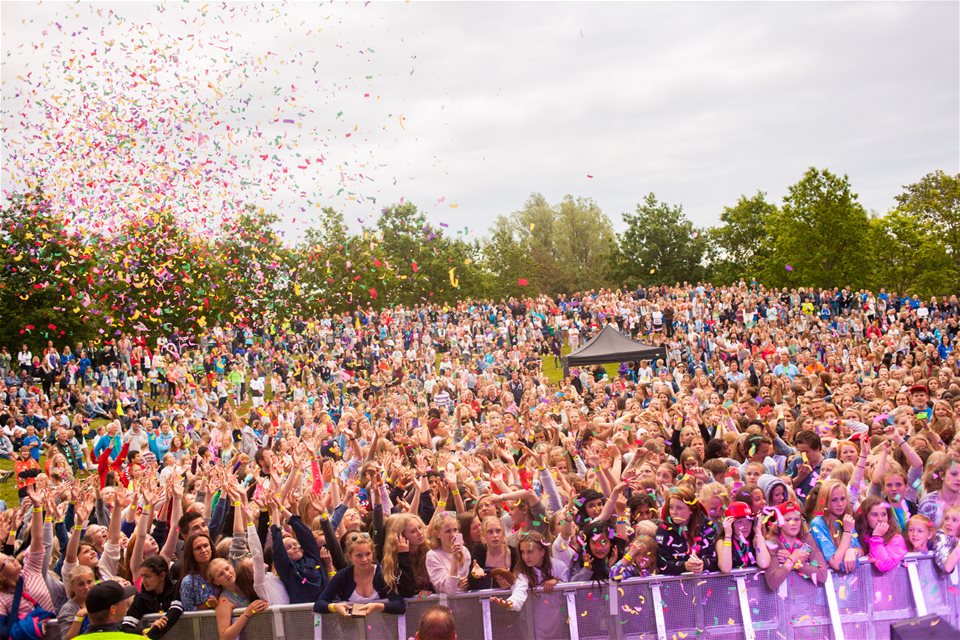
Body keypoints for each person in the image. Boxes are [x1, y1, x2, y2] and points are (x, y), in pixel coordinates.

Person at [314, 534, 405, 617]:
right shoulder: (343, 575)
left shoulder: (382, 573)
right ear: (350, 556)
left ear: (373, 554)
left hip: (382, 629)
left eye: (368, 554)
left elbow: (400, 605)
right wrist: (335, 607)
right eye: (359, 555)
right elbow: (318, 604)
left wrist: (377, 606)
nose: (364, 559)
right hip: (351, 630)